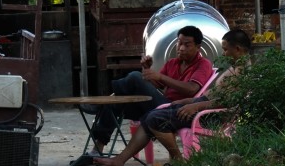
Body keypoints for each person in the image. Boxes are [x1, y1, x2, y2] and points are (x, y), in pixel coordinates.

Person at [91, 28, 252, 166]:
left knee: (153, 115)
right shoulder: (233, 68)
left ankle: (178, 161)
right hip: (192, 105)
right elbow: (206, 95)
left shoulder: (241, 72)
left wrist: (195, 107)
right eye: (179, 43)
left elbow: (227, 101)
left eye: (225, 50)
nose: (223, 54)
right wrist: (187, 102)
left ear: (237, 49)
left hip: (207, 114)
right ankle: (118, 160)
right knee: (144, 113)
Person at [88, 25, 213, 156]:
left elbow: (191, 89)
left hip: (174, 109)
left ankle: (102, 102)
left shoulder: (203, 64)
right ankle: (97, 149)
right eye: (179, 43)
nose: (181, 48)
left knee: (135, 76)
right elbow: (157, 84)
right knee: (114, 103)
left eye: (187, 45)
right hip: (159, 105)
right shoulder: (173, 63)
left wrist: (160, 76)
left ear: (198, 47)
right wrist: (147, 70)